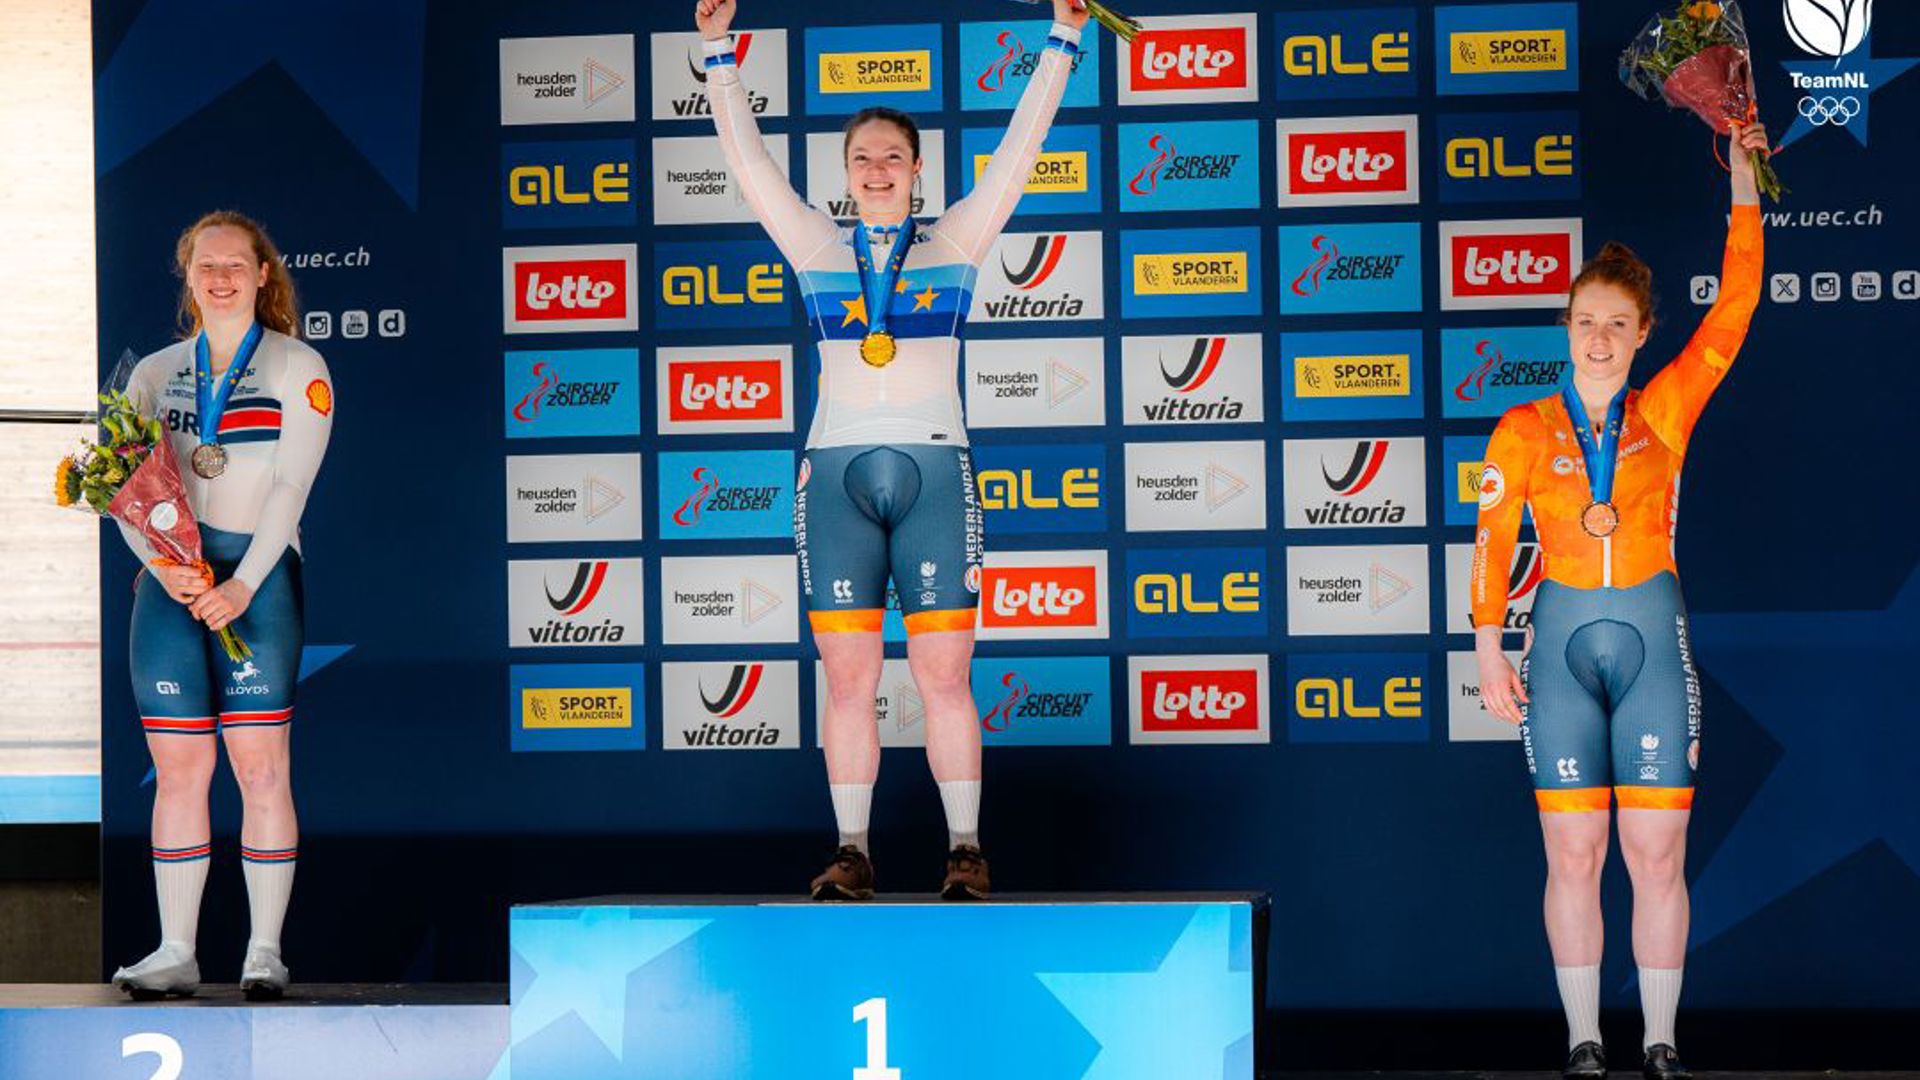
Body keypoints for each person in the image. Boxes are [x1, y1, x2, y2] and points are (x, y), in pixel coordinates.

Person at [695, 0, 1087, 900]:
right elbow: (748, 164)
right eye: (862, 158)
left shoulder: (955, 240)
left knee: (945, 676)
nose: (877, 170)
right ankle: (853, 850)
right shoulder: (815, 244)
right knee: (848, 677)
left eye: (893, 158)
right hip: (835, 472)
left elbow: (1022, 152)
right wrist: (718, 52)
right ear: (845, 174)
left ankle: (964, 850)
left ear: (917, 172)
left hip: (935, 469)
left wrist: (1063, 41)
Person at [1472, 125, 1766, 1080]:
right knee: (1573, 855)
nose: (1597, 340)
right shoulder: (1520, 429)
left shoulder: (1667, 409)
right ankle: (1585, 1042)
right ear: (1564, 327)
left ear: (1643, 335)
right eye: (1583, 322)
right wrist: (1485, 644)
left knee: (1656, 850)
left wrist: (1744, 183)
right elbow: (1493, 541)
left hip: (1651, 637)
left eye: (1616, 326)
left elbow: (1738, 303)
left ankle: (1663, 1041)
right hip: (1556, 646)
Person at [110, 211, 333, 999]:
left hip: (257, 579)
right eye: (207, 266)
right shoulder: (152, 373)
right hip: (169, 585)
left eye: (237, 264)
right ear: (189, 275)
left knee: (260, 766)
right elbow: (125, 492)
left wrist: (242, 582)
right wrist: (162, 566)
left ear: (263, 273)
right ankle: (176, 951)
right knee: (180, 768)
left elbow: (290, 486)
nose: (222, 277)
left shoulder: (296, 365)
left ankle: (263, 951)